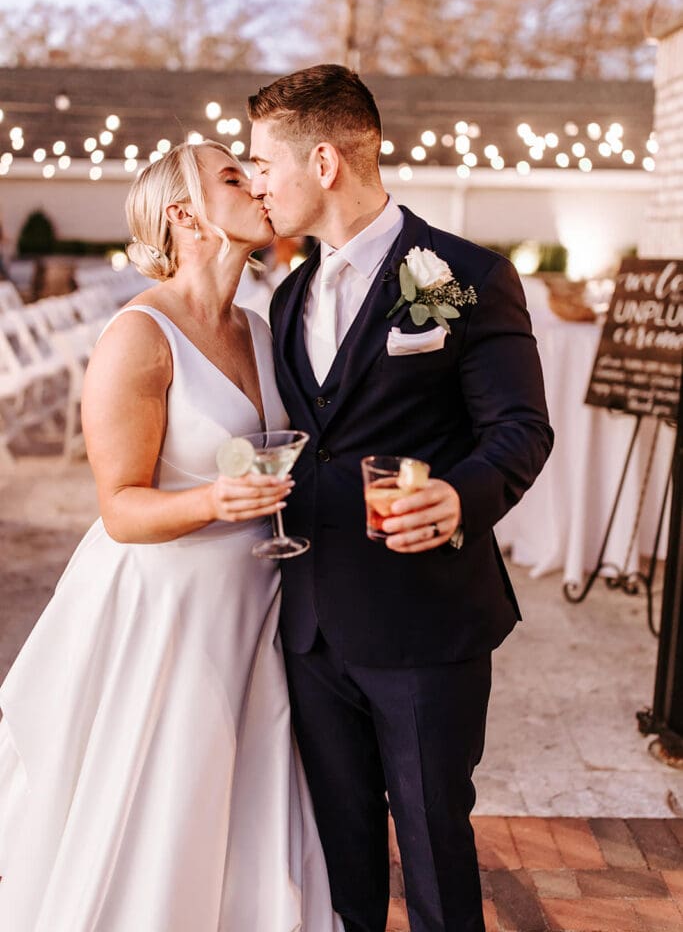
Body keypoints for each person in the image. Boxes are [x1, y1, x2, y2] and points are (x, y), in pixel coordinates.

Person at [0, 140, 342, 931]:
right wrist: (217, 500)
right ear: (185, 215)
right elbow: (120, 508)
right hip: (167, 611)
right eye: (233, 178)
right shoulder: (138, 336)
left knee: (244, 803)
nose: (256, 186)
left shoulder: (260, 328)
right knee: (165, 803)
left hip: (254, 600)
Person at [248, 65, 554, 932]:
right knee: (340, 853)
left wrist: (459, 497)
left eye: (263, 164)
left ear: (322, 162)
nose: (258, 184)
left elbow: (519, 429)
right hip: (311, 626)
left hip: (424, 622)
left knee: (431, 844)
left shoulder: (464, 275)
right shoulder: (288, 296)